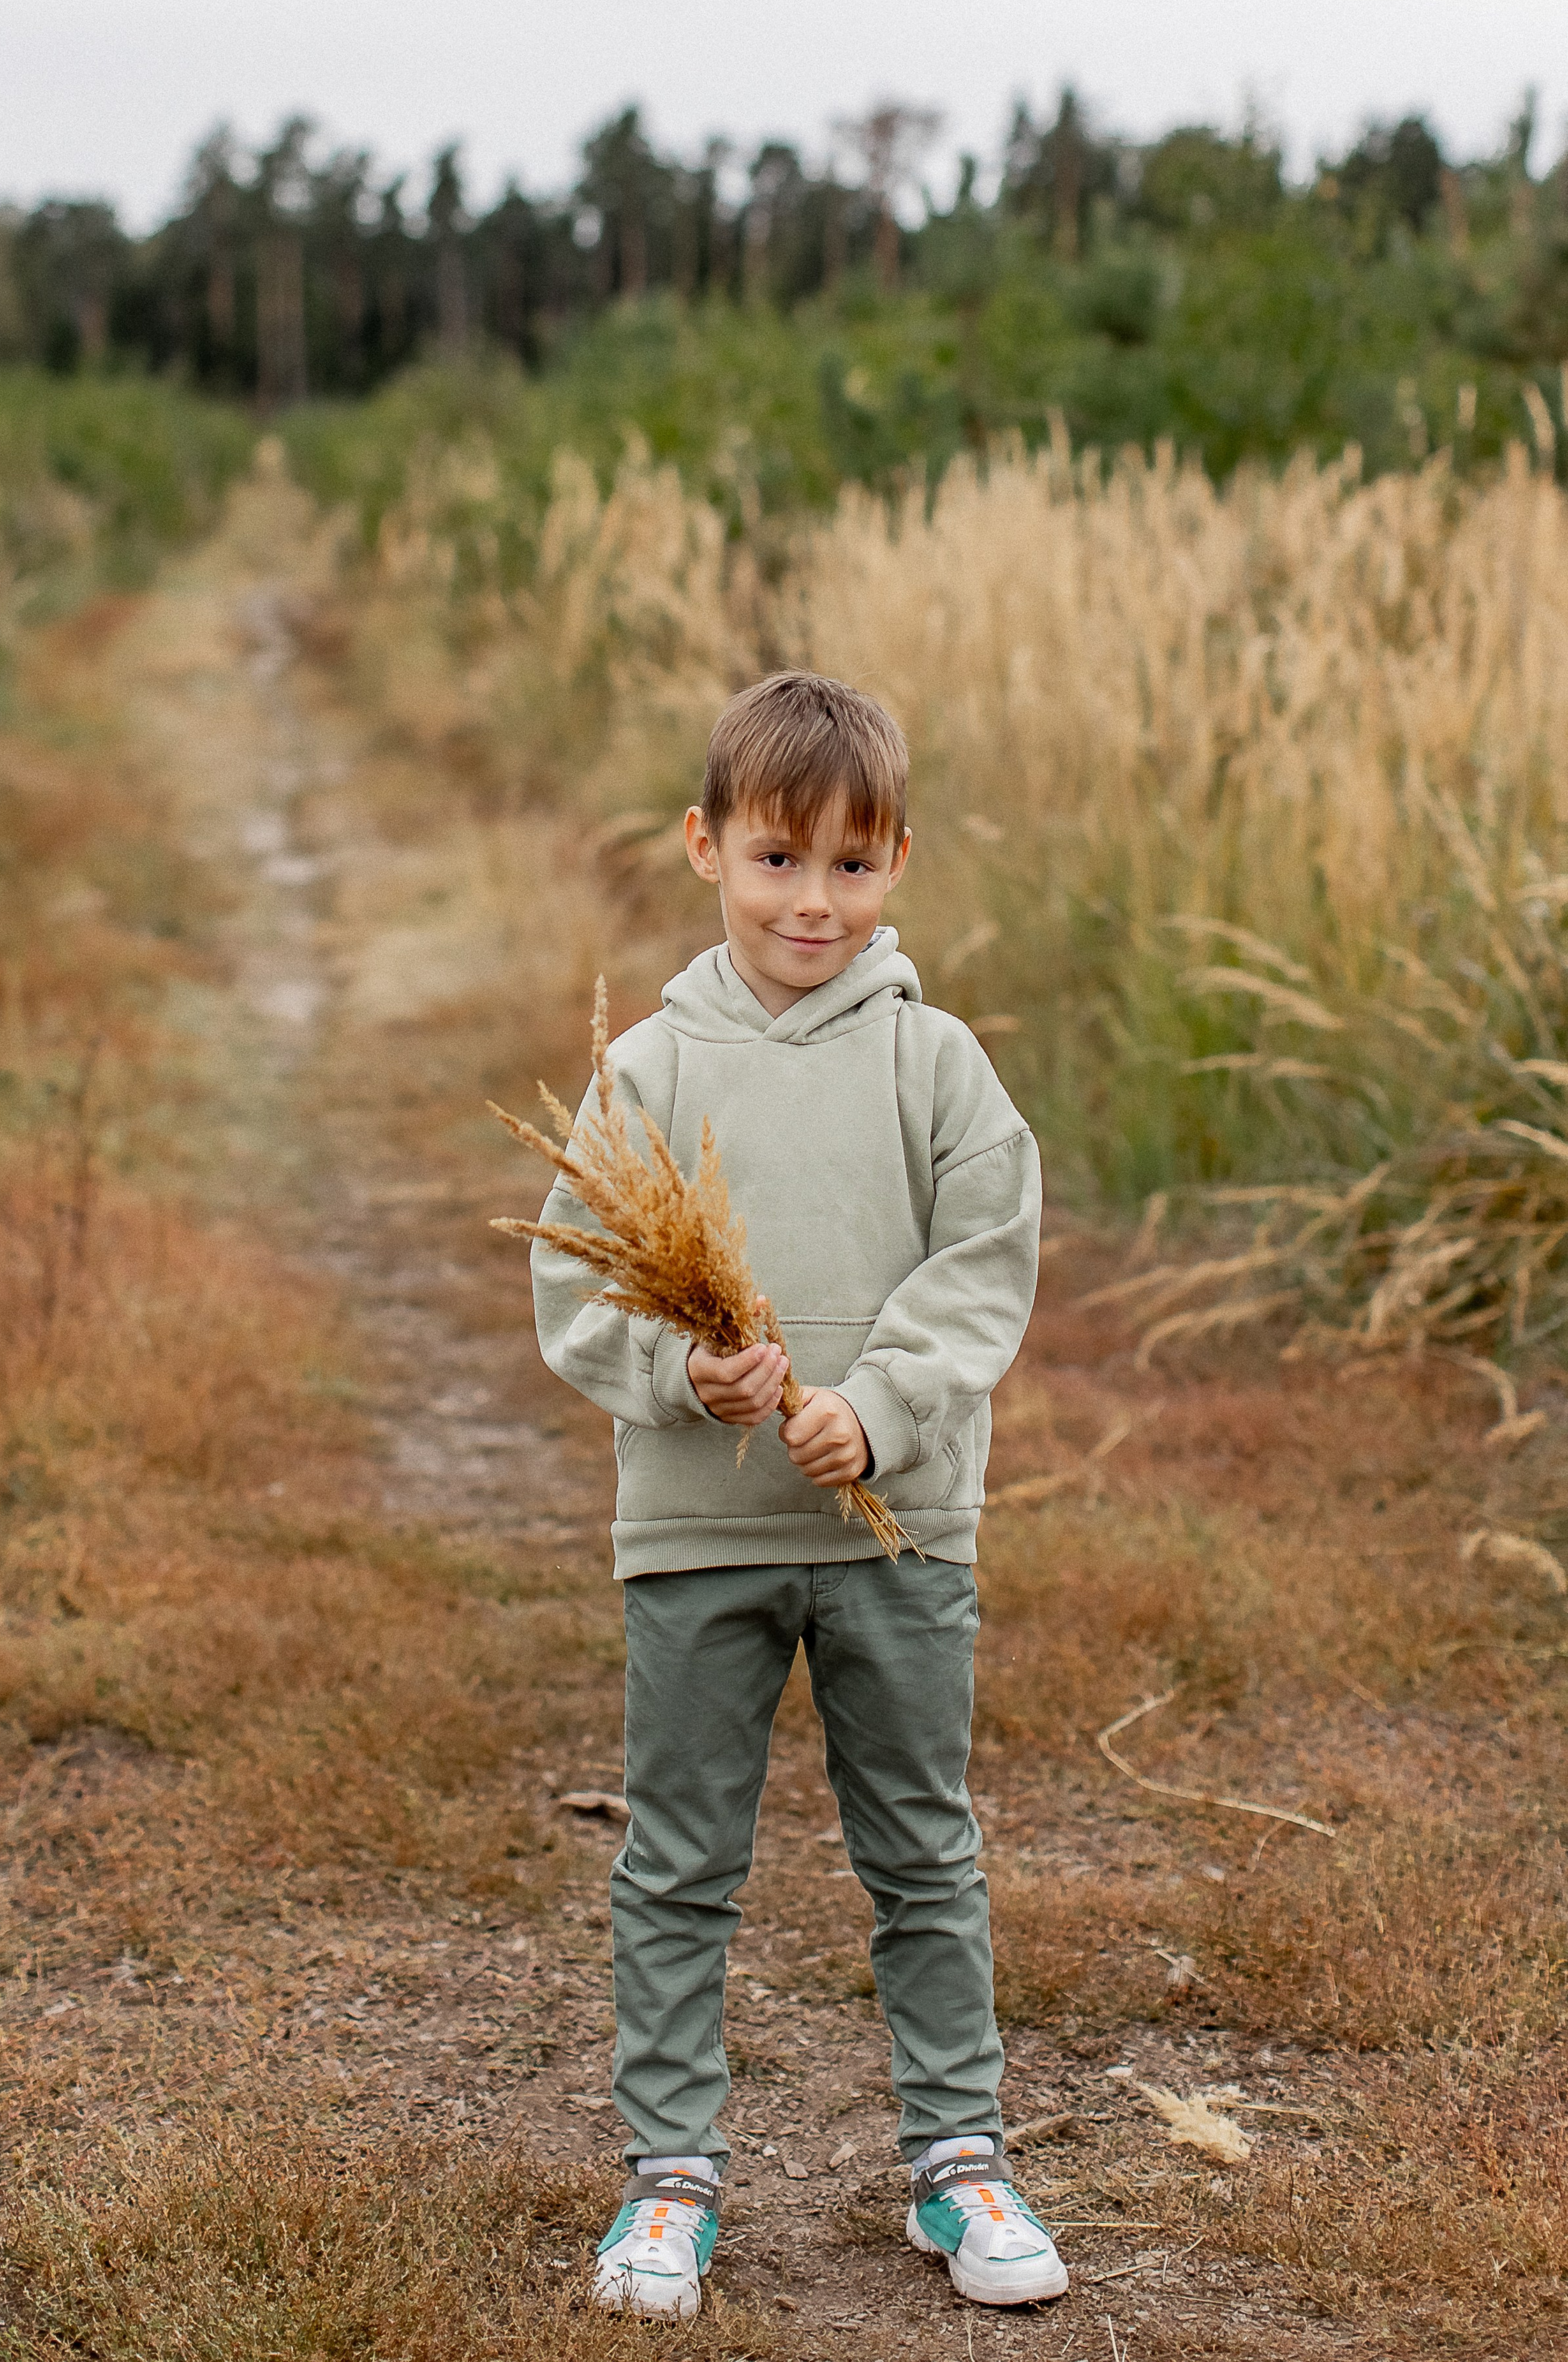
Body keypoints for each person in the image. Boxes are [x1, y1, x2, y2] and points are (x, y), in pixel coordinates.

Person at [529, 669, 1067, 2321]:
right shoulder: (645, 1066)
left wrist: (876, 1409)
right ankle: (670, 2176)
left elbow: (985, 1266)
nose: (809, 901)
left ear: (894, 862)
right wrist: (686, 1379)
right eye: (775, 860)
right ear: (705, 847)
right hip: (697, 1538)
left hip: (895, 1537)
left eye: (848, 865)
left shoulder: (937, 1065)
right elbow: (577, 1291)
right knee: (681, 1856)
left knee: (919, 1845)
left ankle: (956, 2159)